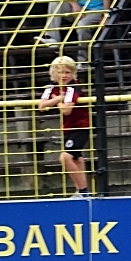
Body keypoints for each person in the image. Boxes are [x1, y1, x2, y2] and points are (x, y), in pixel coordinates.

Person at [38, 55, 91, 197]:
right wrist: (58, 99)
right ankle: (82, 191)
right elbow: (41, 105)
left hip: (80, 126)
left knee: (65, 157)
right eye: (60, 72)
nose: (64, 75)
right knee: (76, 158)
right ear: (54, 73)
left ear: (73, 74)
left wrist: (57, 101)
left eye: (67, 72)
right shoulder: (51, 87)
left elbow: (66, 110)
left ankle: (83, 191)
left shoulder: (73, 88)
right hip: (67, 127)